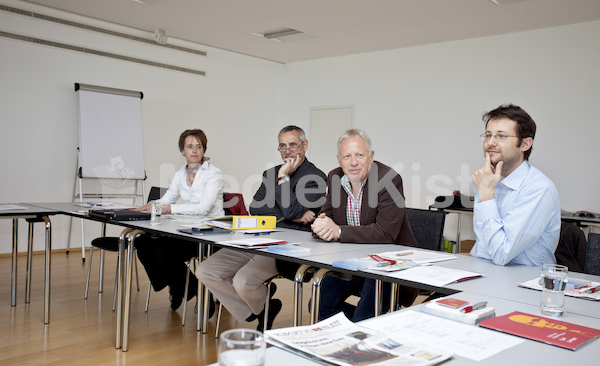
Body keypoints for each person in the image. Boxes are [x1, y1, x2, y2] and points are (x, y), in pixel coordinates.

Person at [195, 125, 326, 331]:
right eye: (282, 146)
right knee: (206, 270)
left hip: (285, 248)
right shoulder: (269, 173)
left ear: (305, 145)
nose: (288, 151)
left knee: (242, 282)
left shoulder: (316, 177)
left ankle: (257, 304)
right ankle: (261, 308)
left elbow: (290, 211)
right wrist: (288, 215)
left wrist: (283, 177)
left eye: (293, 145)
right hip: (257, 238)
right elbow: (256, 208)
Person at [311, 128, 418, 322]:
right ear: (339, 160)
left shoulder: (389, 179)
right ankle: (365, 326)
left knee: (364, 317)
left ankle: (367, 327)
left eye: (359, 155)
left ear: (371, 156)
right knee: (318, 305)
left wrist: (339, 231)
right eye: (347, 156)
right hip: (351, 262)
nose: (353, 162)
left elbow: (386, 233)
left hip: (386, 266)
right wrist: (321, 225)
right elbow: (326, 215)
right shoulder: (335, 178)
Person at [135, 129, 224, 311]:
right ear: (182, 150)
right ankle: (177, 285)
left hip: (209, 232)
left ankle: (191, 289)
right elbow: (167, 200)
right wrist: (151, 205)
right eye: (189, 146)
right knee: (143, 244)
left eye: (199, 147)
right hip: (186, 229)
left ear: (204, 150)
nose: (194, 151)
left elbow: (203, 208)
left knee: (164, 253)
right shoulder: (179, 174)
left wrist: (168, 208)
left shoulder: (213, 174)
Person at [470, 104, 560, 266]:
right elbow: (483, 249)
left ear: (525, 144)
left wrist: (486, 197)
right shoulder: (488, 180)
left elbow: (501, 254)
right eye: (488, 135)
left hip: (522, 285)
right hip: (485, 274)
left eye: (502, 136)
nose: (490, 142)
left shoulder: (539, 189)